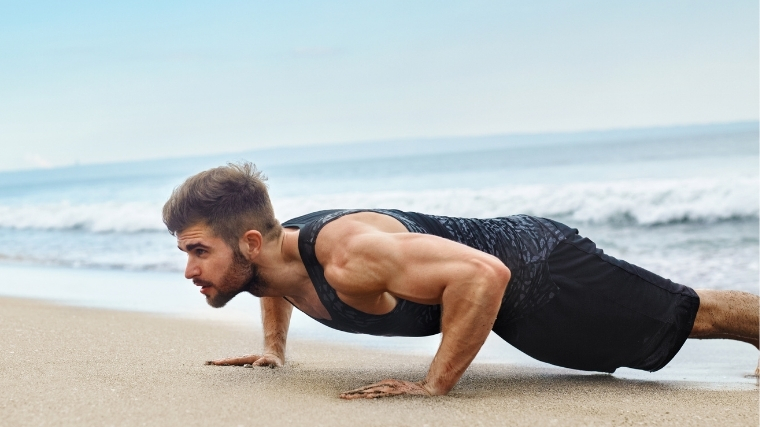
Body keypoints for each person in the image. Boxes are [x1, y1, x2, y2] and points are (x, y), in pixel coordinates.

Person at [163, 162, 759, 399]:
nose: (189, 269)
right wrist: (273, 350)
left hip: (537, 269)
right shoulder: (268, 258)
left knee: (687, 316)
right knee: (643, 344)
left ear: (246, 243)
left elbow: (484, 274)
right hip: (509, 306)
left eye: (197, 251)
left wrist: (434, 387)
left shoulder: (348, 255)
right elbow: (275, 283)